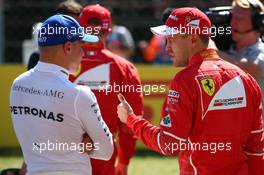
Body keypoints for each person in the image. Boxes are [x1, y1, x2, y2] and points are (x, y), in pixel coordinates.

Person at [117, 7, 264, 175]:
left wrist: (131, 119)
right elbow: (257, 147)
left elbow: (169, 144)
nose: (167, 48)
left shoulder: (185, 80)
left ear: (193, 39)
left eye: (171, 39)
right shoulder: (245, 78)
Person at [10, 14, 114, 175]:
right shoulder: (79, 94)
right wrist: (88, 145)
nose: (83, 53)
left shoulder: (17, 84)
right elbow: (106, 151)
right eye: (81, 45)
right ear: (68, 47)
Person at [69, 4, 144, 175]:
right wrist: (124, 162)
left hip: (62, 152)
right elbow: (130, 122)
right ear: (108, 31)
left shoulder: (61, 62)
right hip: (103, 154)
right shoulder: (124, 68)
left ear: (79, 27)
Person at [215, 0, 264, 122]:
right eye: (231, 17)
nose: (233, 23)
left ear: (257, 22)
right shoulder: (225, 52)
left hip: (257, 135)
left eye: (240, 19)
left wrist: (211, 51)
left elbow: (251, 67)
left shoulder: (260, 52)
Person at [27, 0, 83, 70]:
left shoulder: (86, 55)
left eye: (78, 25)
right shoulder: (38, 58)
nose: (74, 29)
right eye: (69, 24)